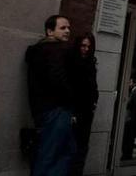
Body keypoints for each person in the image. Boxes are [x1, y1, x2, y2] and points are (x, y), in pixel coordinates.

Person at [25, 14, 76, 176]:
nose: (68, 31)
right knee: (53, 154)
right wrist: (70, 100)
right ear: (49, 31)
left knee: (64, 150)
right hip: (56, 109)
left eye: (68, 27)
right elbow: (57, 79)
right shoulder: (56, 50)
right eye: (62, 28)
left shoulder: (39, 51)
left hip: (44, 109)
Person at [69, 32, 99, 176]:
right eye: (83, 46)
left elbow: (93, 85)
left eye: (89, 46)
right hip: (73, 111)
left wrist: (94, 102)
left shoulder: (91, 63)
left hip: (87, 111)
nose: (86, 49)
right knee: (70, 148)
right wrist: (72, 111)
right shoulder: (71, 61)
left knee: (82, 148)